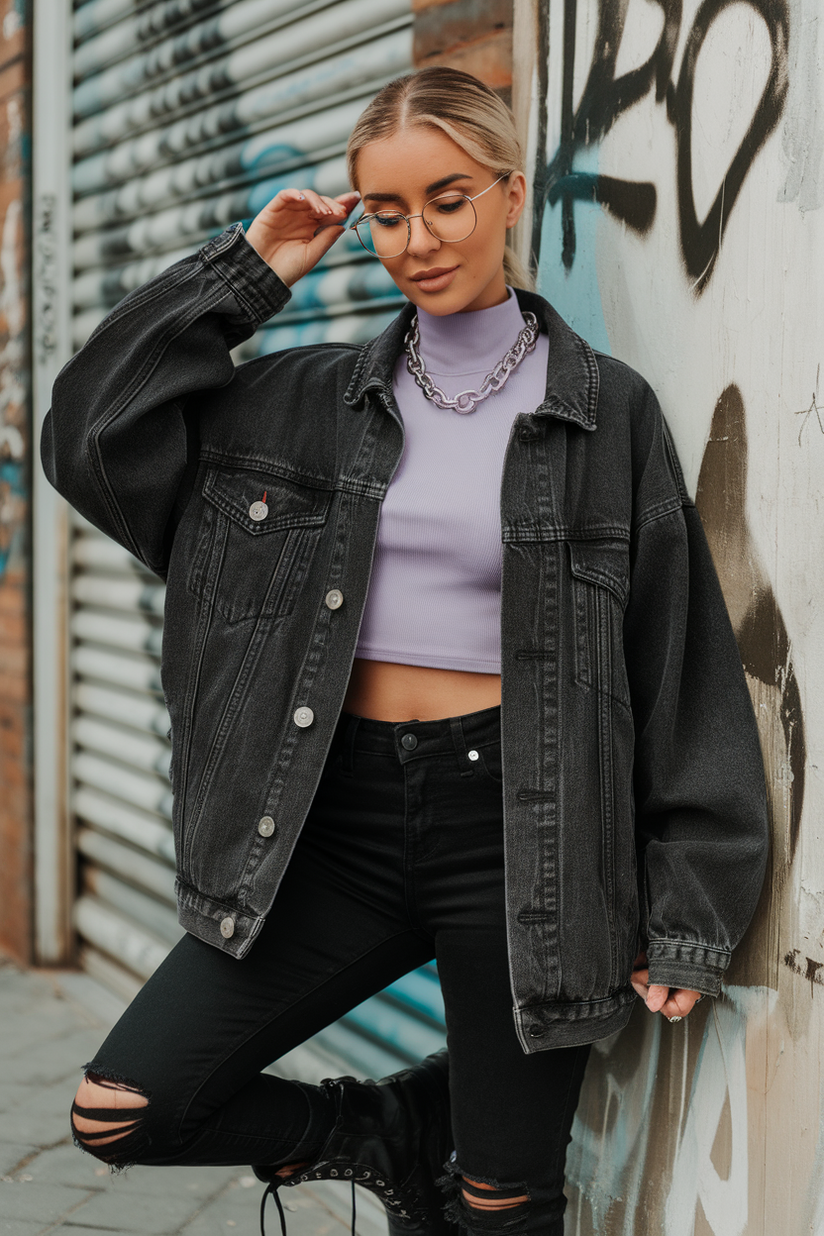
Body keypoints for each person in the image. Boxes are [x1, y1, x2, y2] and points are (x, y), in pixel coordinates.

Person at [42, 66, 768, 1236]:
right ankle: (377, 1129)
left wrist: (689, 905)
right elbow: (90, 434)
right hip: (330, 824)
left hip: (525, 837)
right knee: (124, 1109)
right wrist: (248, 274)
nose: (417, 238)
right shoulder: (297, 401)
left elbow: (670, 661)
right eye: (384, 212)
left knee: (501, 1201)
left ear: (508, 193)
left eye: (446, 198)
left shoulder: (605, 412)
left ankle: (446, 1155)